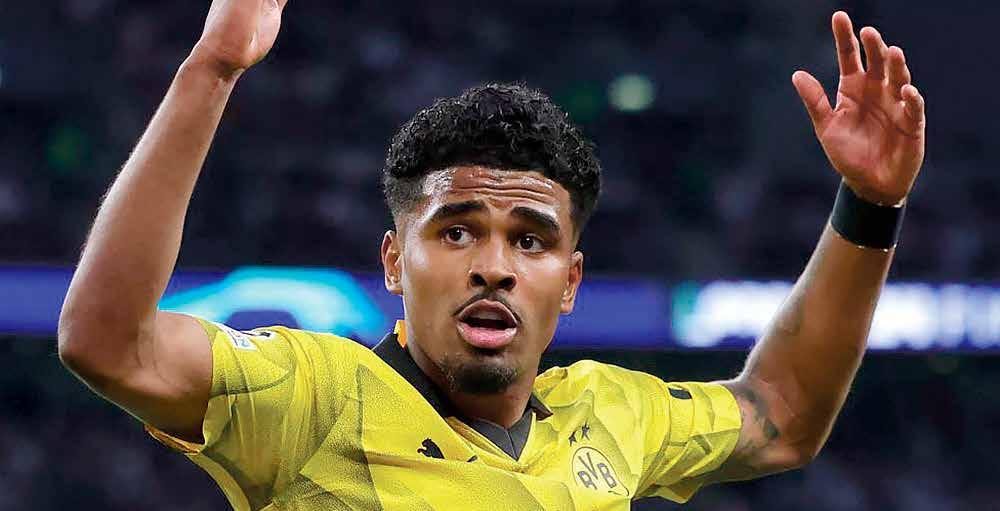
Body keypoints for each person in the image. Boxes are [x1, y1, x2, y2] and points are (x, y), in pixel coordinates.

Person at [57, 1, 926, 509]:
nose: (495, 266)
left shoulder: (610, 413)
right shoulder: (313, 396)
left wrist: (871, 204)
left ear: (571, 281)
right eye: (456, 230)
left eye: (531, 240)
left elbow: (784, 411)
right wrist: (213, 68)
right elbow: (108, 342)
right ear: (394, 261)